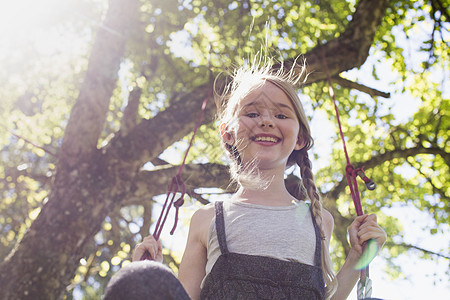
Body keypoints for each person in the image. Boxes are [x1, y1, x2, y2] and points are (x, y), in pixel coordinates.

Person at [105, 58, 386, 300]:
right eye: (252, 113)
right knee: (134, 278)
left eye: (281, 114)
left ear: (300, 137)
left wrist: (355, 258)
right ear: (228, 133)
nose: (266, 120)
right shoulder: (207, 219)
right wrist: (151, 275)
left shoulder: (317, 219)